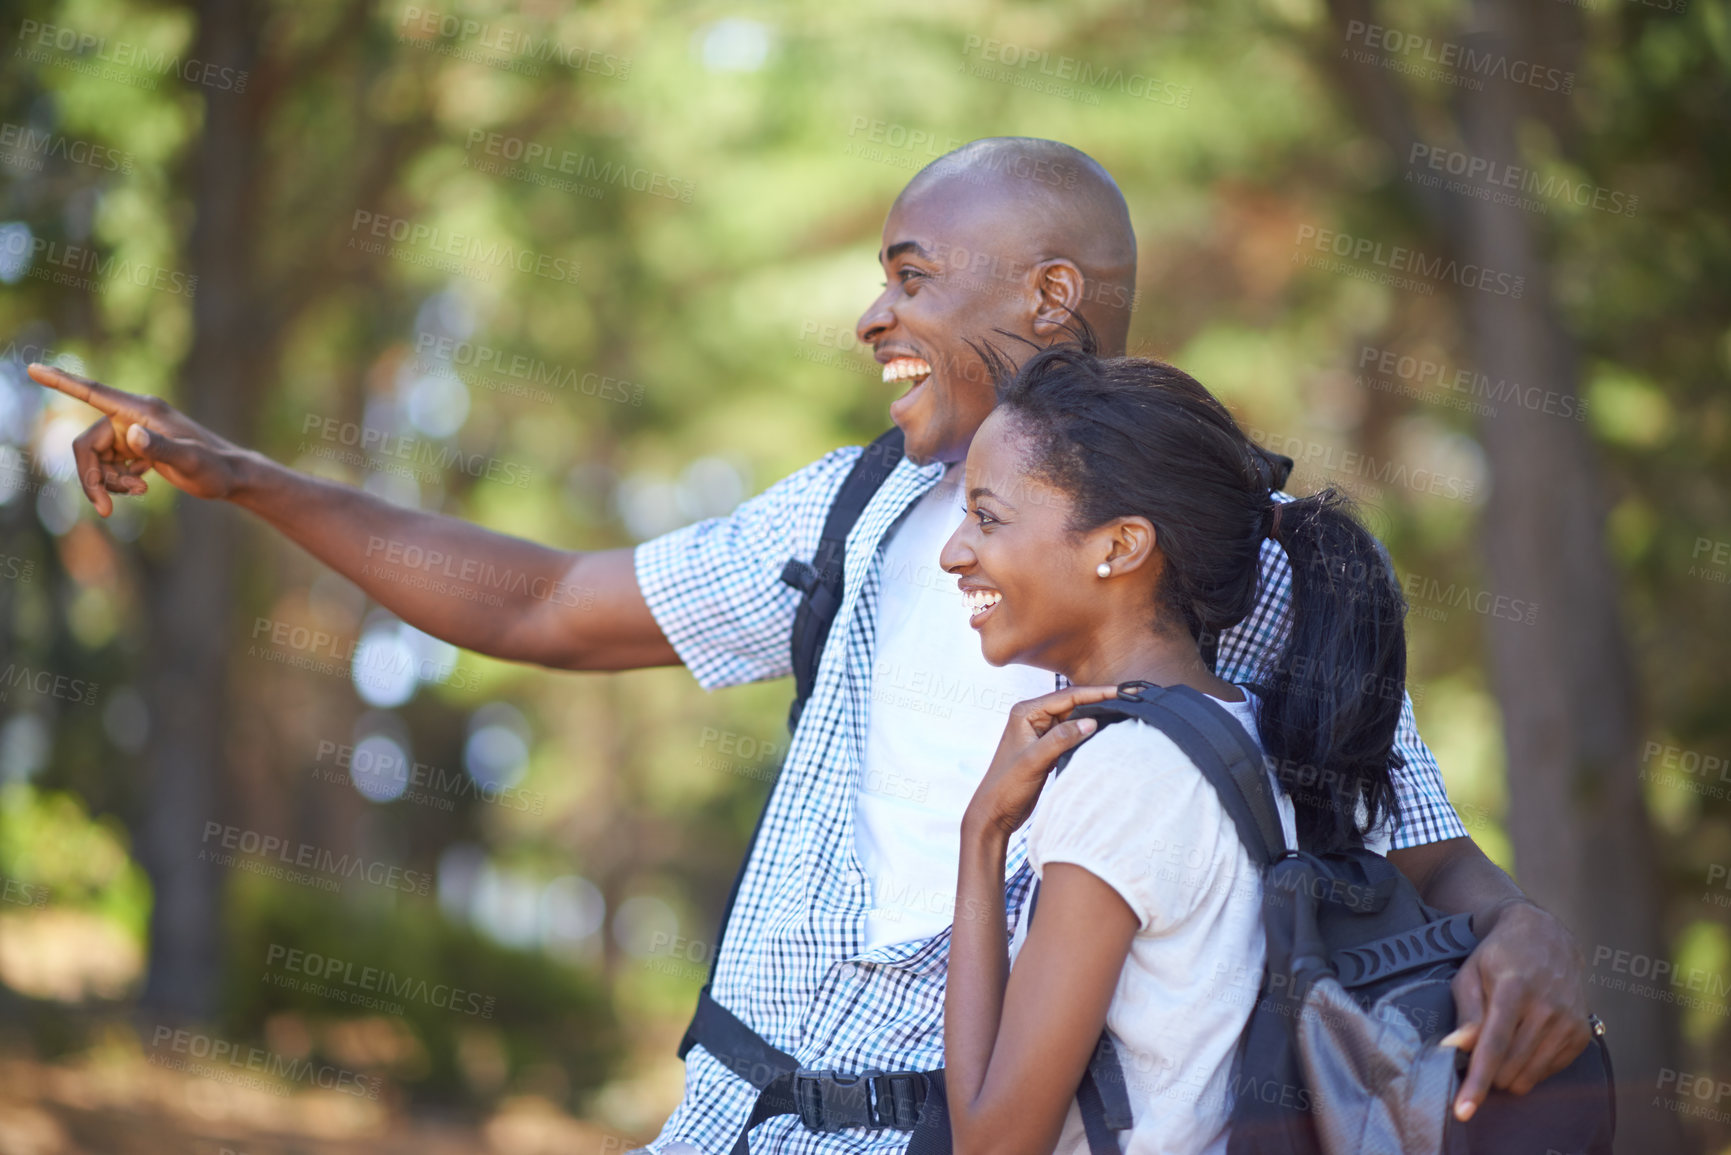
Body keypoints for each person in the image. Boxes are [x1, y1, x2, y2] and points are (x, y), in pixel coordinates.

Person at [29, 137, 1586, 1153]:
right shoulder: (849, 510)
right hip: (722, 1118)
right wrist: (240, 472)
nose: (869, 314)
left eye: (910, 274)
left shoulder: (1222, 576)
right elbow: (543, 605)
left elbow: (1425, 858)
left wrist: (1522, 932)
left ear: (1049, 294)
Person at [940, 344, 1407, 1155]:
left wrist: (981, 835)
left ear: (1119, 546)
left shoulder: (1128, 774)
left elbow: (992, 1143)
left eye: (986, 516)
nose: (953, 551)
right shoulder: (1277, 734)